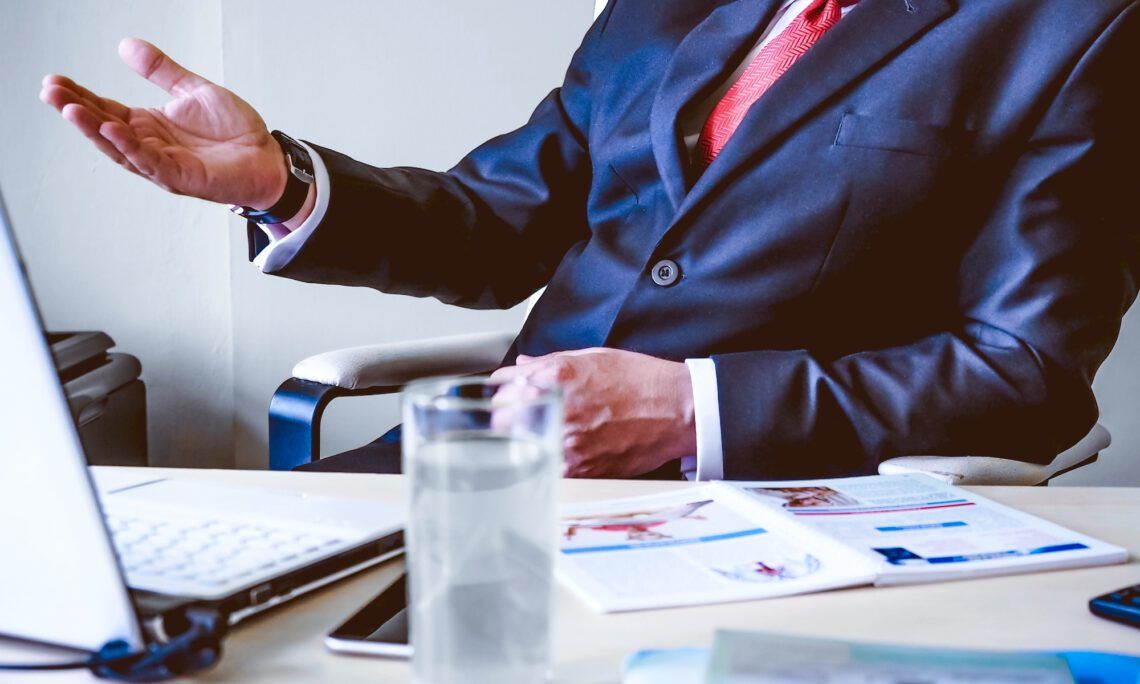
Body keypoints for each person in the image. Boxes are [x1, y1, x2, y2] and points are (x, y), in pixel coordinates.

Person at [40, 0, 1140, 481]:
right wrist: (283, 179)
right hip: (484, 471)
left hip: (770, 506)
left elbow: (1028, 370)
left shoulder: (1079, 27)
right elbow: (497, 225)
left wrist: (688, 412)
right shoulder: (665, 5)